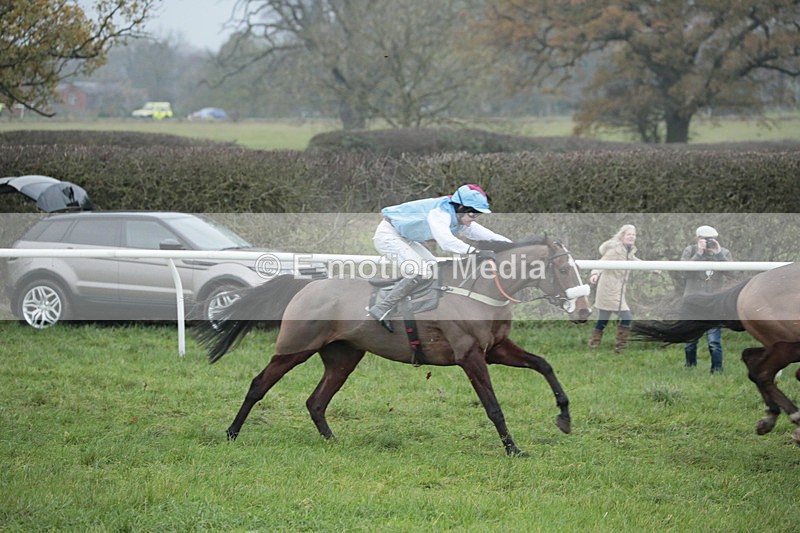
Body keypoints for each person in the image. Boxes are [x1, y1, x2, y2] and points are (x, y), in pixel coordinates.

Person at [368, 184, 511, 331]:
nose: (474, 219)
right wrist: (476, 252)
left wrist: (512, 246)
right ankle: (382, 308)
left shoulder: (457, 214)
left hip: (404, 237)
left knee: (432, 269)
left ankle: (414, 309)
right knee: (421, 272)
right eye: (473, 214)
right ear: (460, 208)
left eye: (477, 215)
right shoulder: (440, 213)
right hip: (388, 235)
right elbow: (446, 242)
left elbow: (484, 234)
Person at [680, 225, 733, 373]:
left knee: (714, 341)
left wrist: (719, 254)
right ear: (697, 239)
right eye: (705, 239)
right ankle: (690, 367)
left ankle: (717, 369)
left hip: (714, 303)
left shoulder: (723, 253)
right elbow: (684, 272)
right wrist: (699, 253)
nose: (709, 242)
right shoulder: (690, 251)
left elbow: (732, 273)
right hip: (693, 302)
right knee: (691, 340)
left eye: (712, 239)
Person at [587, 224, 640, 353]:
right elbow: (601, 263)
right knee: (627, 316)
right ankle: (619, 347)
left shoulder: (629, 251)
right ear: (622, 236)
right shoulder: (615, 250)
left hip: (618, 290)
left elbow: (637, 261)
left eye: (634, 235)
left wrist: (654, 268)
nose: (632, 237)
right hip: (608, 290)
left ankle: (593, 344)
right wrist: (595, 274)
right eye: (629, 234)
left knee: (603, 318)